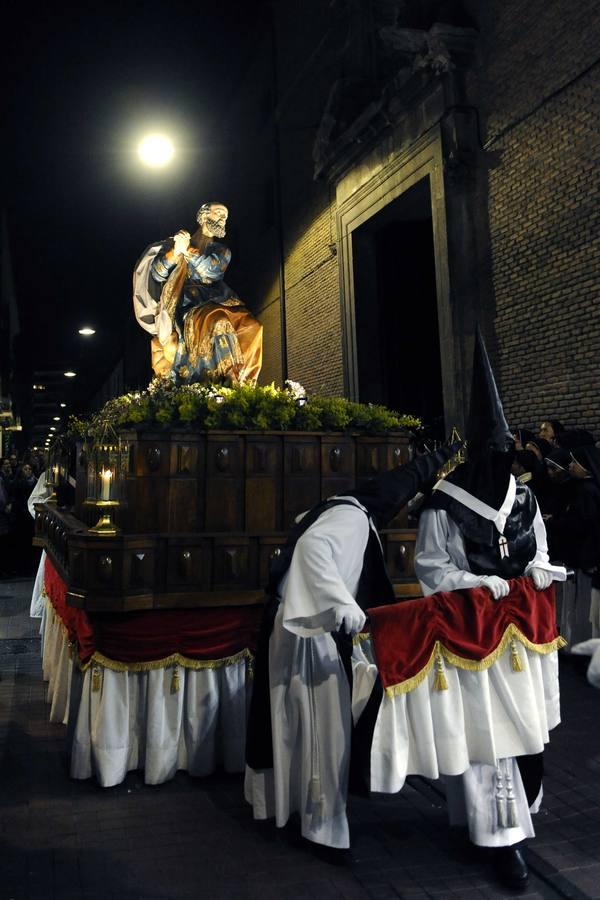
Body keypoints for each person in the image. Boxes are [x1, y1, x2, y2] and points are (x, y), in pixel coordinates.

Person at [245, 442, 460, 851]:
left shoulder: (338, 507)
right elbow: (312, 550)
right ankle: (323, 826)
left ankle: (292, 809)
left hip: (302, 624)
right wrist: (341, 602)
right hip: (313, 632)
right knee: (327, 732)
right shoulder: (353, 518)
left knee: (296, 723)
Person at [415, 328, 566, 890]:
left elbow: (541, 550)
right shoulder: (444, 504)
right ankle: (498, 835)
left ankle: (516, 815)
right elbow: (431, 570)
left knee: (523, 732)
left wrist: (536, 571)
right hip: (473, 632)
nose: (503, 461)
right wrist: (477, 583)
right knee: (486, 736)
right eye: (493, 453)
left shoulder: (524, 497)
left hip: (523, 634)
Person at [133, 203, 263, 386]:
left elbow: (212, 271)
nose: (222, 218)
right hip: (189, 304)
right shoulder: (175, 245)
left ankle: (247, 383)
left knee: (253, 326)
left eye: (225, 216)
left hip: (220, 299)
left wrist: (186, 251)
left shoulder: (221, 250)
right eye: (219, 213)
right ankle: (224, 379)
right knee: (217, 320)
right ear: (203, 216)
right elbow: (157, 273)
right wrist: (176, 251)